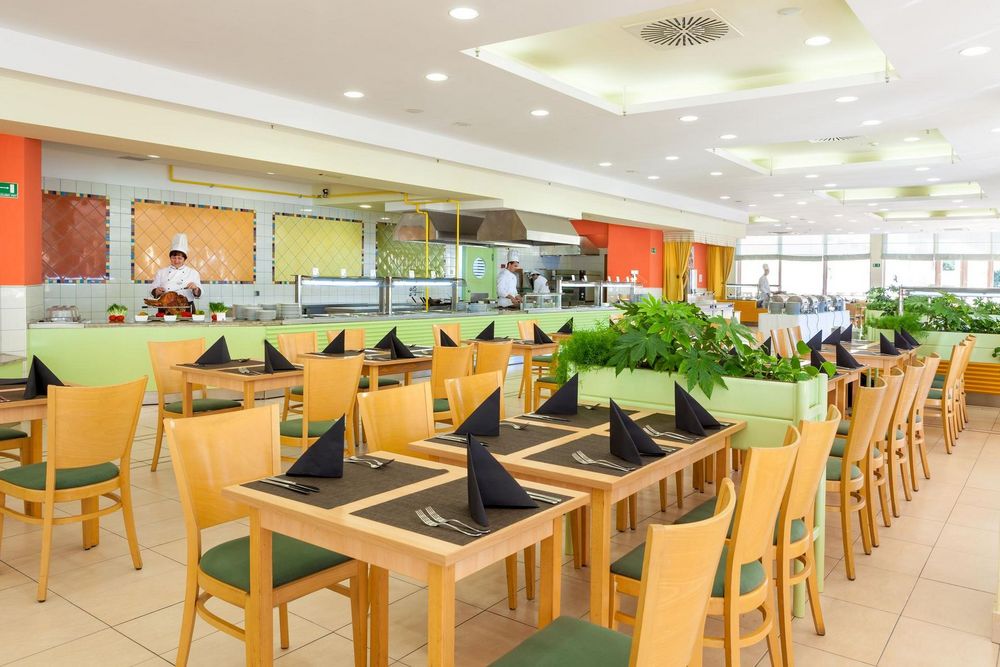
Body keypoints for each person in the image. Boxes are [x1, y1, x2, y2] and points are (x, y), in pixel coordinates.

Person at [151, 233, 203, 302]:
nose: (176, 261)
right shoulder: (161, 272)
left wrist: (195, 288)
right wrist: (156, 291)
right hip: (165, 306)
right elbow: (152, 291)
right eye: (173, 258)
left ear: (184, 259)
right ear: (170, 258)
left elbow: (200, 294)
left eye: (179, 258)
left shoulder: (193, 273)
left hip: (186, 306)